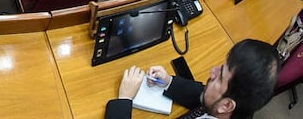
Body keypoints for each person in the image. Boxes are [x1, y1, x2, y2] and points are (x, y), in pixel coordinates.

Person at [104, 39, 279, 119]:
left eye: (220, 77)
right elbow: (203, 96)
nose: (212, 72)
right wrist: (168, 82)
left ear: (227, 105)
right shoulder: (237, 109)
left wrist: (124, 100)